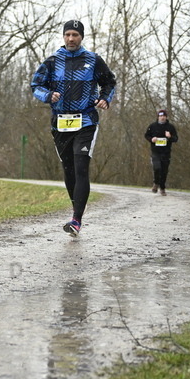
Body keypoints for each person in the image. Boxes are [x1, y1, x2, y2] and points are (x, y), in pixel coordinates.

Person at [30, 19, 116, 237]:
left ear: (82, 37)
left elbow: (109, 82)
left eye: (75, 35)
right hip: (60, 122)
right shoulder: (52, 61)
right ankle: (75, 207)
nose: (71, 38)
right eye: (67, 34)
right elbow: (35, 85)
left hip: (86, 121)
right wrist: (48, 95)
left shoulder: (93, 60)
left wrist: (105, 98)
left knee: (81, 166)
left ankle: (76, 219)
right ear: (63, 36)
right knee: (68, 170)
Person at [144, 109, 178, 195]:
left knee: (164, 171)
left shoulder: (170, 127)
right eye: (160, 116)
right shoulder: (152, 126)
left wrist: (169, 137)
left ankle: (162, 188)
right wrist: (151, 139)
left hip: (166, 152)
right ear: (158, 117)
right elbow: (146, 135)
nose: (162, 118)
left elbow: (176, 139)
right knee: (157, 168)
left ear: (166, 117)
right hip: (155, 151)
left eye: (164, 116)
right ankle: (156, 183)